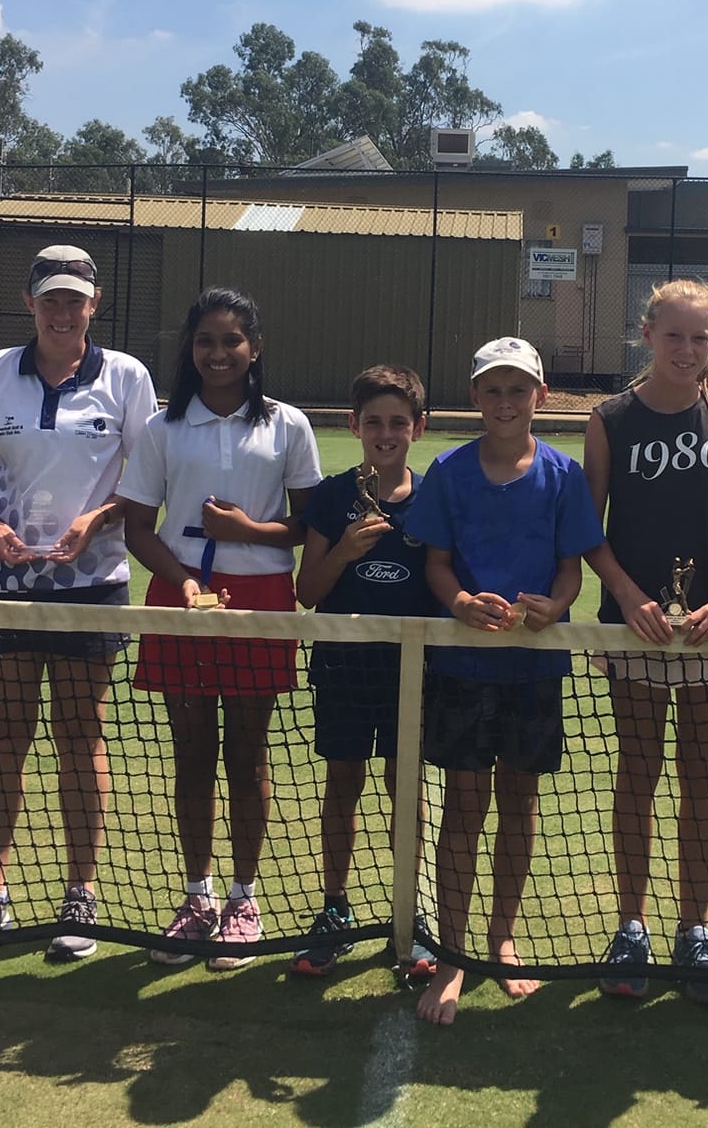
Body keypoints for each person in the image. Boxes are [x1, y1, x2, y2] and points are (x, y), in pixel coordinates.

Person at [0, 245, 156, 963]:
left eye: (76, 300)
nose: (63, 312)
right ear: (30, 304)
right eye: (51, 299)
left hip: (92, 586)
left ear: (94, 305)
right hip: (3, 584)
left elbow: (144, 478)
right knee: (3, 736)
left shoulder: (126, 377)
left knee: (80, 737)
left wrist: (94, 523)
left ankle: (80, 895)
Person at [404, 336, 605, 1026]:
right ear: (475, 397)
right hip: (460, 669)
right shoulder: (448, 472)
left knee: (519, 807)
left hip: (533, 671)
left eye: (519, 389)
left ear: (540, 397)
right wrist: (459, 602)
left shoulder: (564, 475)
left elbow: (573, 568)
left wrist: (556, 604)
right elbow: (436, 564)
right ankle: (455, 958)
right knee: (465, 808)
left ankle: (501, 941)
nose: (506, 401)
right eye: (493, 389)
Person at [119, 287, 322, 970]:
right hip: (182, 596)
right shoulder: (162, 429)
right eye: (205, 341)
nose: (217, 354)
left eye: (232, 340)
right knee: (192, 752)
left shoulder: (288, 425)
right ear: (190, 349)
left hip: (261, 599)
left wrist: (246, 530)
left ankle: (243, 899)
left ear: (254, 348)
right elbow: (138, 527)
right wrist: (181, 581)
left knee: (248, 752)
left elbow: (307, 526)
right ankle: (197, 897)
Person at [584, 279, 708, 1004]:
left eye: (701, 338)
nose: (686, 351)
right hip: (634, 628)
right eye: (673, 336)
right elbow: (589, 533)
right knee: (637, 770)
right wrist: (628, 597)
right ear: (647, 335)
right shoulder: (611, 418)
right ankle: (632, 927)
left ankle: (695, 930)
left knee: (701, 773)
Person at [289, 364, 440, 981]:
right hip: (344, 667)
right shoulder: (332, 495)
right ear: (353, 426)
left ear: (418, 429)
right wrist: (347, 549)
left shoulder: (435, 497)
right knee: (342, 783)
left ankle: (414, 913)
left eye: (398, 423)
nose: (386, 433)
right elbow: (307, 590)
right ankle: (335, 906)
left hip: (414, 672)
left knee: (407, 789)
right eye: (373, 422)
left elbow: (442, 584)